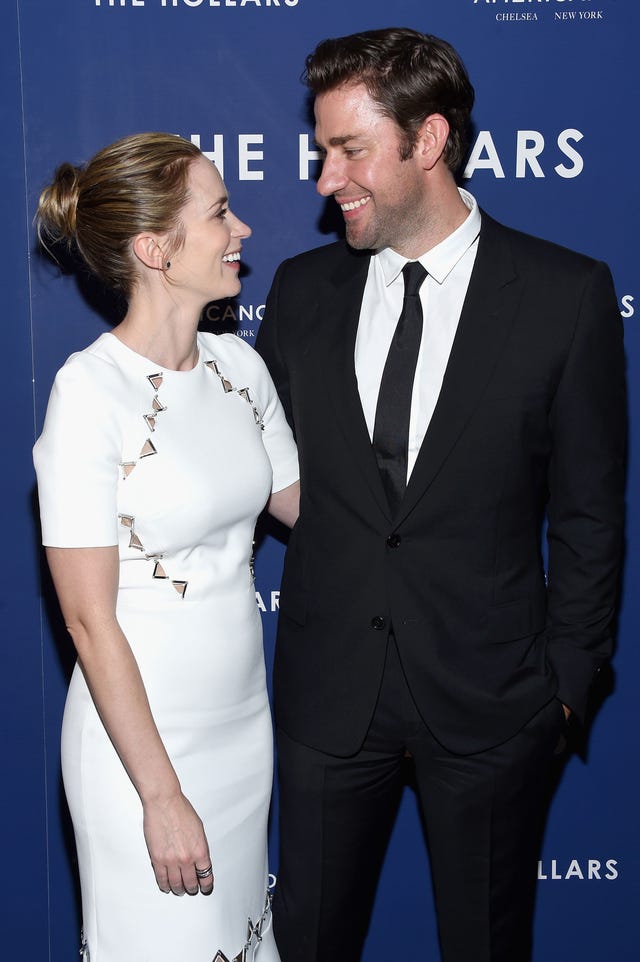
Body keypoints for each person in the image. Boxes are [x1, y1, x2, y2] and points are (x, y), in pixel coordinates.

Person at [255, 27, 626, 962]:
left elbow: (589, 512)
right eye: (321, 151)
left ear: (427, 141)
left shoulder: (564, 295)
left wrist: (567, 686)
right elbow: (257, 470)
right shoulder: (301, 293)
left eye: (350, 151)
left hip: (495, 701)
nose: (325, 179)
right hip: (329, 695)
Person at [34, 132, 298, 962]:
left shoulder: (239, 369)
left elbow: (322, 514)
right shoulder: (89, 392)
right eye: (219, 212)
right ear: (155, 249)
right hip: (141, 756)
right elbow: (86, 620)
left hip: (243, 734)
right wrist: (161, 794)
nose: (242, 229)